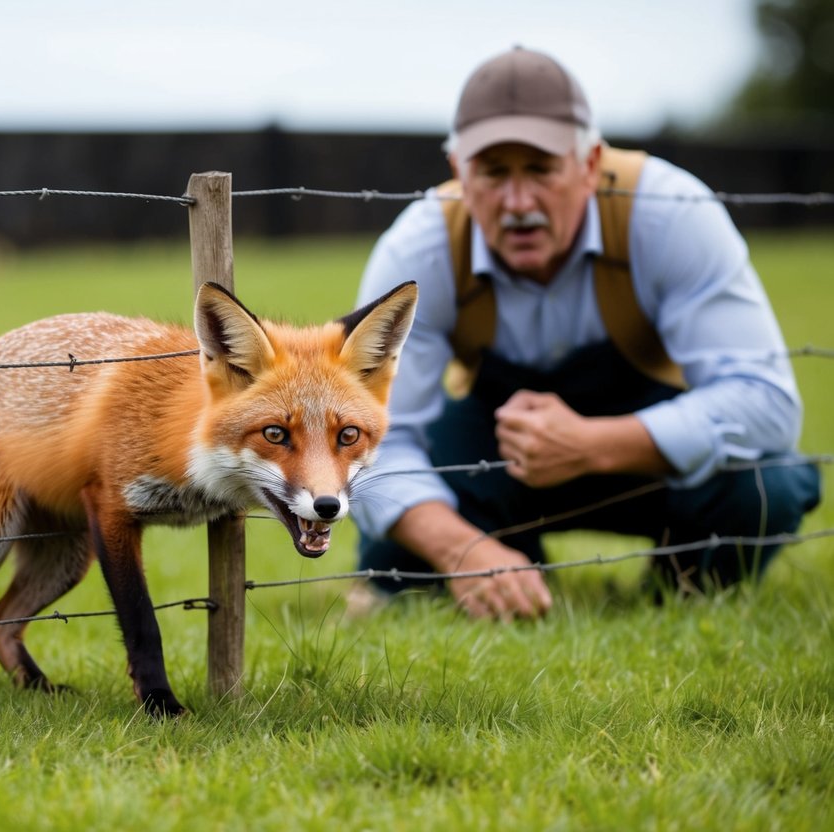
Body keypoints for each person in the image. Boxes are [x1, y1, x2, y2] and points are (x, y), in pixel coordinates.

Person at [350, 46, 821, 620]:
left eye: (542, 170)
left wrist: (594, 444)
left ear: (591, 164)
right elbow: (370, 441)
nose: (518, 202)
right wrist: (462, 549)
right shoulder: (418, 248)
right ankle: (496, 579)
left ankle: (684, 591)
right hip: (495, 459)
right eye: (494, 174)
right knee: (401, 542)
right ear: (459, 173)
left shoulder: (670, 212)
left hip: (648, 462)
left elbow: (768, 402)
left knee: (767, 483)